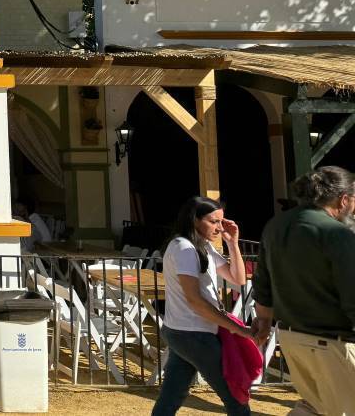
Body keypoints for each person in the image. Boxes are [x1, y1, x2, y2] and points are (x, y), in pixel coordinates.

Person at [253, 167, 355, 416]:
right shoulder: (337, 234)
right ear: (343, 199)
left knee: (315, 407)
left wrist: (264, 322)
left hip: (291, 339)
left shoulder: (275, 225)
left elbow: (262, 285)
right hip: (332, 342)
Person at [152, 196, 252, 416]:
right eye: (213, 221)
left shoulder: (200, 246)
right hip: (194, 334)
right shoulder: (185, 248)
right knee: (235, 397)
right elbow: (195, 300)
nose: (219, 227)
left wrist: (233, 243)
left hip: (183, 332)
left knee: (171, 396)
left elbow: (238, 279)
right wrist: (236, 328)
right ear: (194, 220)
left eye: (221, 221)